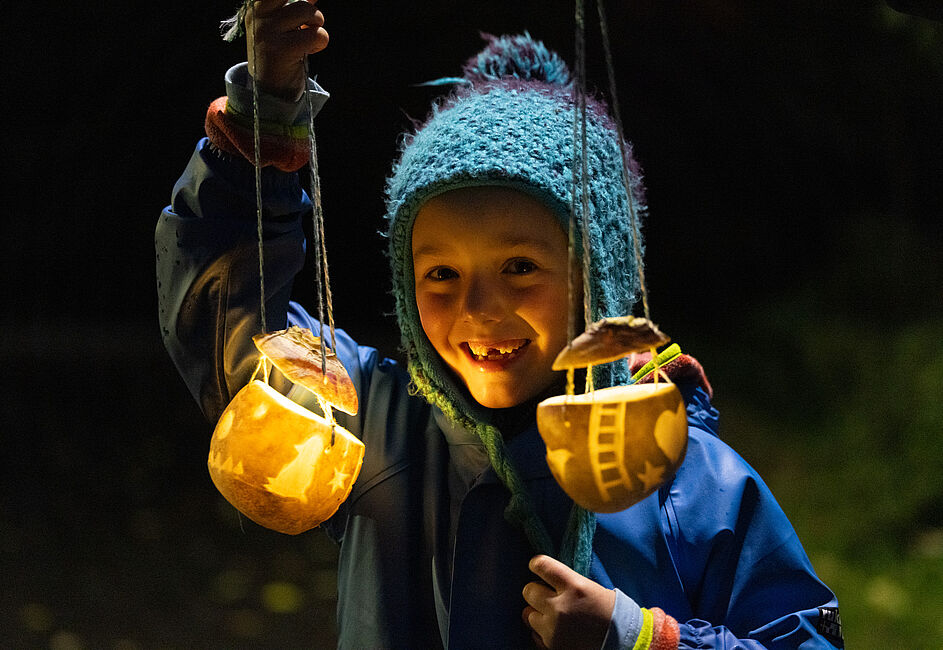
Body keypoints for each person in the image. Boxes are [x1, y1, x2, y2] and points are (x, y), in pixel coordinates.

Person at [157, 1, 844, 647]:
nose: (478, 309)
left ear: (595, 278)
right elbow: (219, 312)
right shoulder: (357, 420)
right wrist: (263, 116)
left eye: (519, 267)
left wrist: (637, 635)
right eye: (441, 274)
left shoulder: (684, 479)